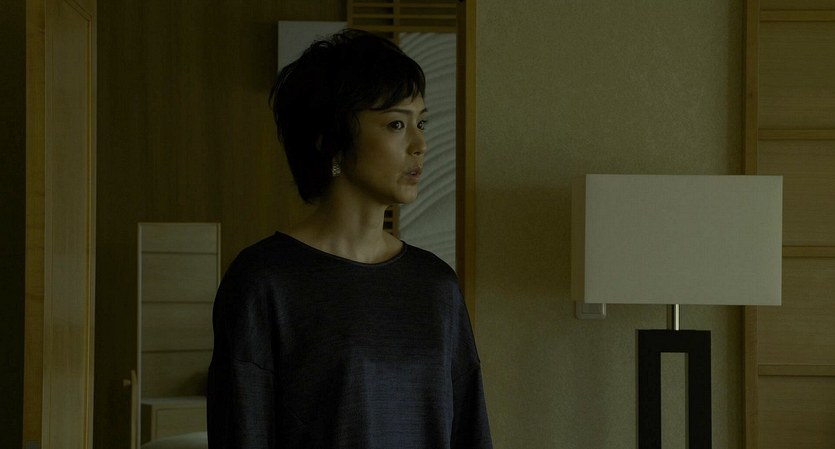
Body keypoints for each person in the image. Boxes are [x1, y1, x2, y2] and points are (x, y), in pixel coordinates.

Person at [207, 29, 492, 448]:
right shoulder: (265, 282)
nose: (420, 144)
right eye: (396, 124)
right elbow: (242, 431)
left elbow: (469, 430)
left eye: (421, 123)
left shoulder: (436, 286)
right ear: (332, 141)